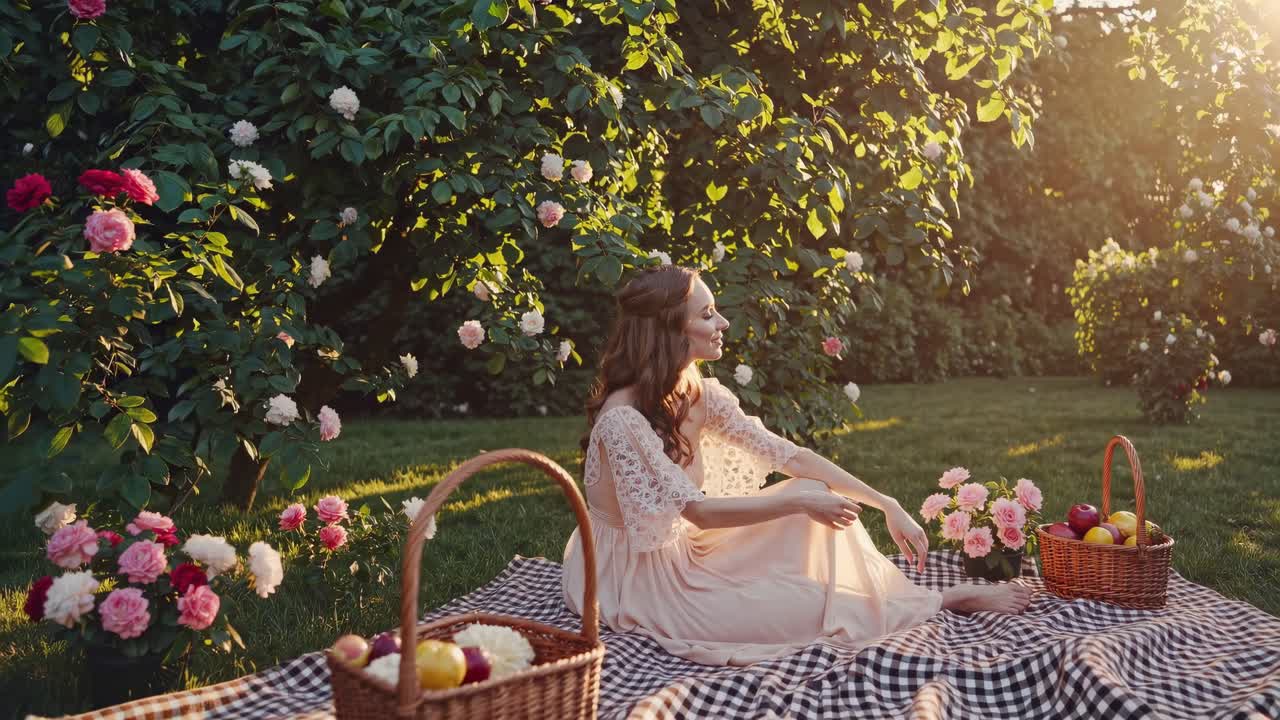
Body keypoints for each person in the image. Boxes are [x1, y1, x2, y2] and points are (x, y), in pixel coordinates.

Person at [561, 265, 1031, 666]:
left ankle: (903, 599)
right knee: (803, 604)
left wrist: (884, 502)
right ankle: (944, 601)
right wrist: (798, 503)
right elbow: (698, 512)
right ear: (668, 331)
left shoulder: (694, 389)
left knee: (820, 504)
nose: (722, 321)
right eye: (706, 315)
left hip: (686, 550)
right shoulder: (623, 420)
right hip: (636, 580)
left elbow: (790, 456)